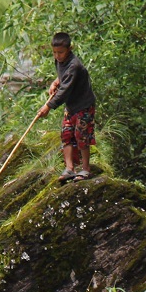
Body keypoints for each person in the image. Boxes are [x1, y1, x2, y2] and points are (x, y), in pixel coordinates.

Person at [37, 32, 96, 182]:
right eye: (55, 52)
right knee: (66, 135)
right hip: (71, 107)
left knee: (81, 136)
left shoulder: (74, 65)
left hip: (83, 105)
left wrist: (48, 106)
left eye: (61, 52)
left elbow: (65, 90)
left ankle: (85, 169)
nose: (57, 56)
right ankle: (70, 168)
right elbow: (63, 77)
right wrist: (56, 81)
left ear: (70, 49)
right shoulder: (59, 61)